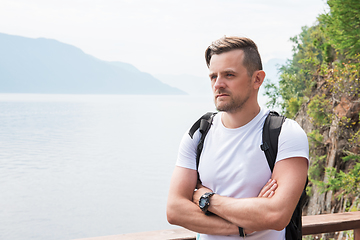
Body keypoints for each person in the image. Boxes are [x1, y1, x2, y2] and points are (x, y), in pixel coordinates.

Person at [166, 36, 309, 240]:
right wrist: (243, 227)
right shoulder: (199, 134)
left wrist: (206, 199)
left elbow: (276, 214)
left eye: (229, 75)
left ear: (257, 79)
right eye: (213, 76)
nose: (218, 84)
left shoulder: (285, 133)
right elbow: (175, 210)